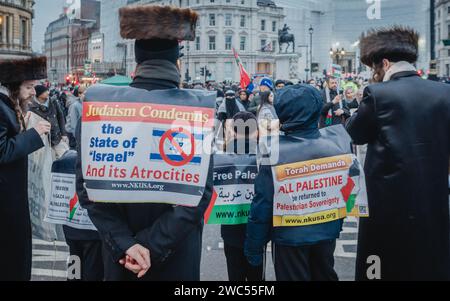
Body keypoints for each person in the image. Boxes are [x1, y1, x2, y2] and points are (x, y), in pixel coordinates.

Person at [76, 5, 214, 281]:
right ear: (177, 64)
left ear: (136, 64)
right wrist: (152, 245)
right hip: (177, 256)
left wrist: (127, 245)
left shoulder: (99, 108)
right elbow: (201, 194)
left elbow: (87, 190)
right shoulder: (198, 111)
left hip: (122, 258)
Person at [346, 26, 450, 281]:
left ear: (384, 62)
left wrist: (367, 95)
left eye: (374, 69)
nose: (374, 74)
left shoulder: (378, 93)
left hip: (387, 197)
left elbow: (354, 134)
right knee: (429, 254)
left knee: (382, 260)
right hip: (432, 193)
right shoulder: (444, 92)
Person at [245, 84, 353, 281]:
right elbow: (347, 191)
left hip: (289, 238)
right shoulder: (337, 144)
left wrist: (254, 244)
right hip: (326, 231)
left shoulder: (275, 151)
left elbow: (262, 203)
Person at [0, 56, 51, 281]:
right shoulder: (2, 108)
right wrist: (34, 134)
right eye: (29, 86)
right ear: (13, 86)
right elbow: (2, 150)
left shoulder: (9, 106)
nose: (33, 91)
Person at [221, 111, 265, 281]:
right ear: (257, 131)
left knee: (235, 275)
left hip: (230, 226)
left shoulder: (222, 157)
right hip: (258, 229)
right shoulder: (266, 156)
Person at [28, 84, 68, 159]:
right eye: (45, 91)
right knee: (47, 162)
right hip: (43, 140)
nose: (48, 92)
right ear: (39, 94)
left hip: (57, 136)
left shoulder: (53, 102)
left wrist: (63, 133)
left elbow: (60, 116)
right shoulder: (31, 106)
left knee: (65, 156)